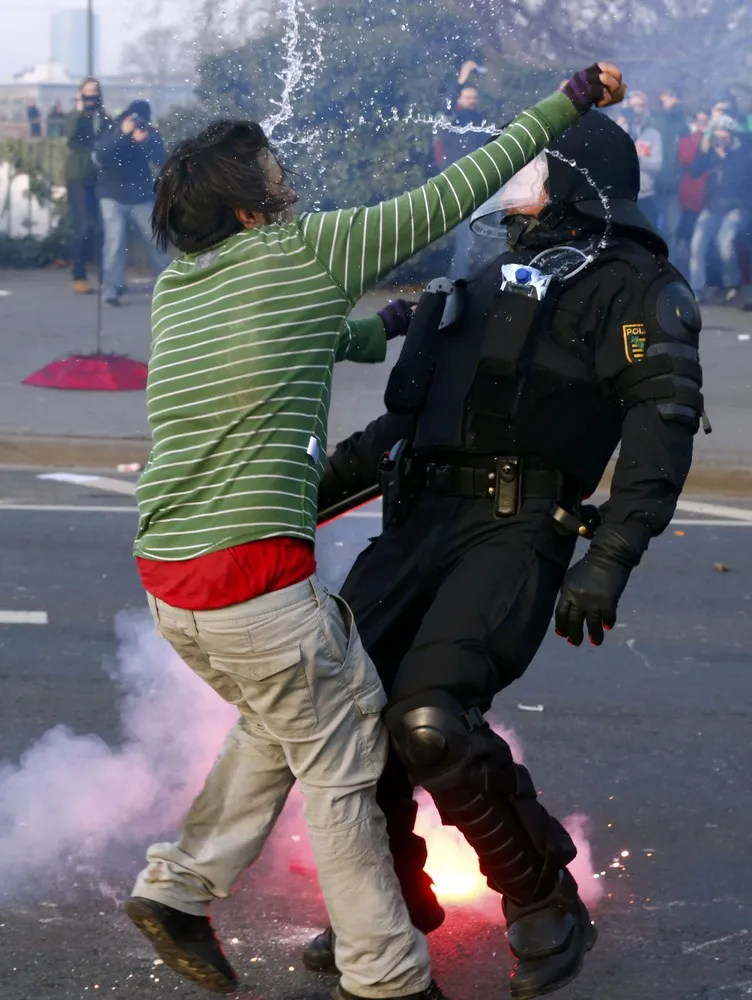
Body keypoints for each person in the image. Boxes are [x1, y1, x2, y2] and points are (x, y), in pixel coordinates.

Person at [123, 65, 626, 1000]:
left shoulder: (179, 289)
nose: (288, 179)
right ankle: (387, 977)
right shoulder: (306, 249)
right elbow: (453, 193)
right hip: (254, 579)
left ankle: (180, 889)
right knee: (347, 761)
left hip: (169, 575)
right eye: (272, 172)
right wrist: (569, 102)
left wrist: (391, 324)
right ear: (245, 210)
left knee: (289, 719)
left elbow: (303, 333)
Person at [302, 107, 706, 1000]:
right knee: (344, 719)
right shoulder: (486, 277)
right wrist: (287, 503)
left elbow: (661, 427)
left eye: (526, 163)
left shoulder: (638, 288)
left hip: (515, 529)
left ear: (571, 177)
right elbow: (407, 428)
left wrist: (610, 560)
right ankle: (385, 905)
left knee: (429, 719)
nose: (504, 177)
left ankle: (545, 904)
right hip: (417, 524)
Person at [94, 100, 169, 305]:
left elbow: (161, 158)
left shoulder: (148, 132)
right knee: (115, 242)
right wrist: (122, 133)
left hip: (140, 195)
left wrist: (145, 141)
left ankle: (167, 285)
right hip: (111, 193)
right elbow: (102, 155)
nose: (137, 123)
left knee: (156, 239)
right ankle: (112, 288)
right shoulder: (113, 127)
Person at [688, 113, 752, 303]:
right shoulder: (711, 151)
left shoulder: (743, 151)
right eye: (716, 132)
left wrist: (723, 157)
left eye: (723, 132)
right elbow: (694, 172)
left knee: (725, 243)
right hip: (713, 206)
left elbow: (739, 178)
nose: (719, 136)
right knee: (697, 245)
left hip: (736, 206)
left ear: (731, 134)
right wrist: (704, 151)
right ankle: (697, 289)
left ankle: (732, 283)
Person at [434, 59, 488, 281]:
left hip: (476, 177)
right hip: (456, 178)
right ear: (459, 99)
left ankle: (472, 275)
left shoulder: (478, 118)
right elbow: (446, 105)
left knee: (477, 230)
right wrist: (461, 79)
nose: (472, 100)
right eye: (468, 97)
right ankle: (458, 278)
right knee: (464, 231)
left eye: (474, 97)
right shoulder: (452, 118)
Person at [63, 78, 110, 295]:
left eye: (94, 92)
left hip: (99, 177)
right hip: (78, 176)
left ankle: (104, 275)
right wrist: (78, 110)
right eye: (87, 93)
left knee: (100, 227)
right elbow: (69, 134)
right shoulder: (76, 116)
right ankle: (79, 275)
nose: (91, 96)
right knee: (83, 227)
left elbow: (112, 137)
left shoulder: (103, 117)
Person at [622, 91, 663, 224]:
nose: (636, 110)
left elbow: (657, 166)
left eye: (640, 106)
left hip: (645, 196)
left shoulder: (653, 135)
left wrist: (638, 160)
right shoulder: (618, 130)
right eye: (633, 106)